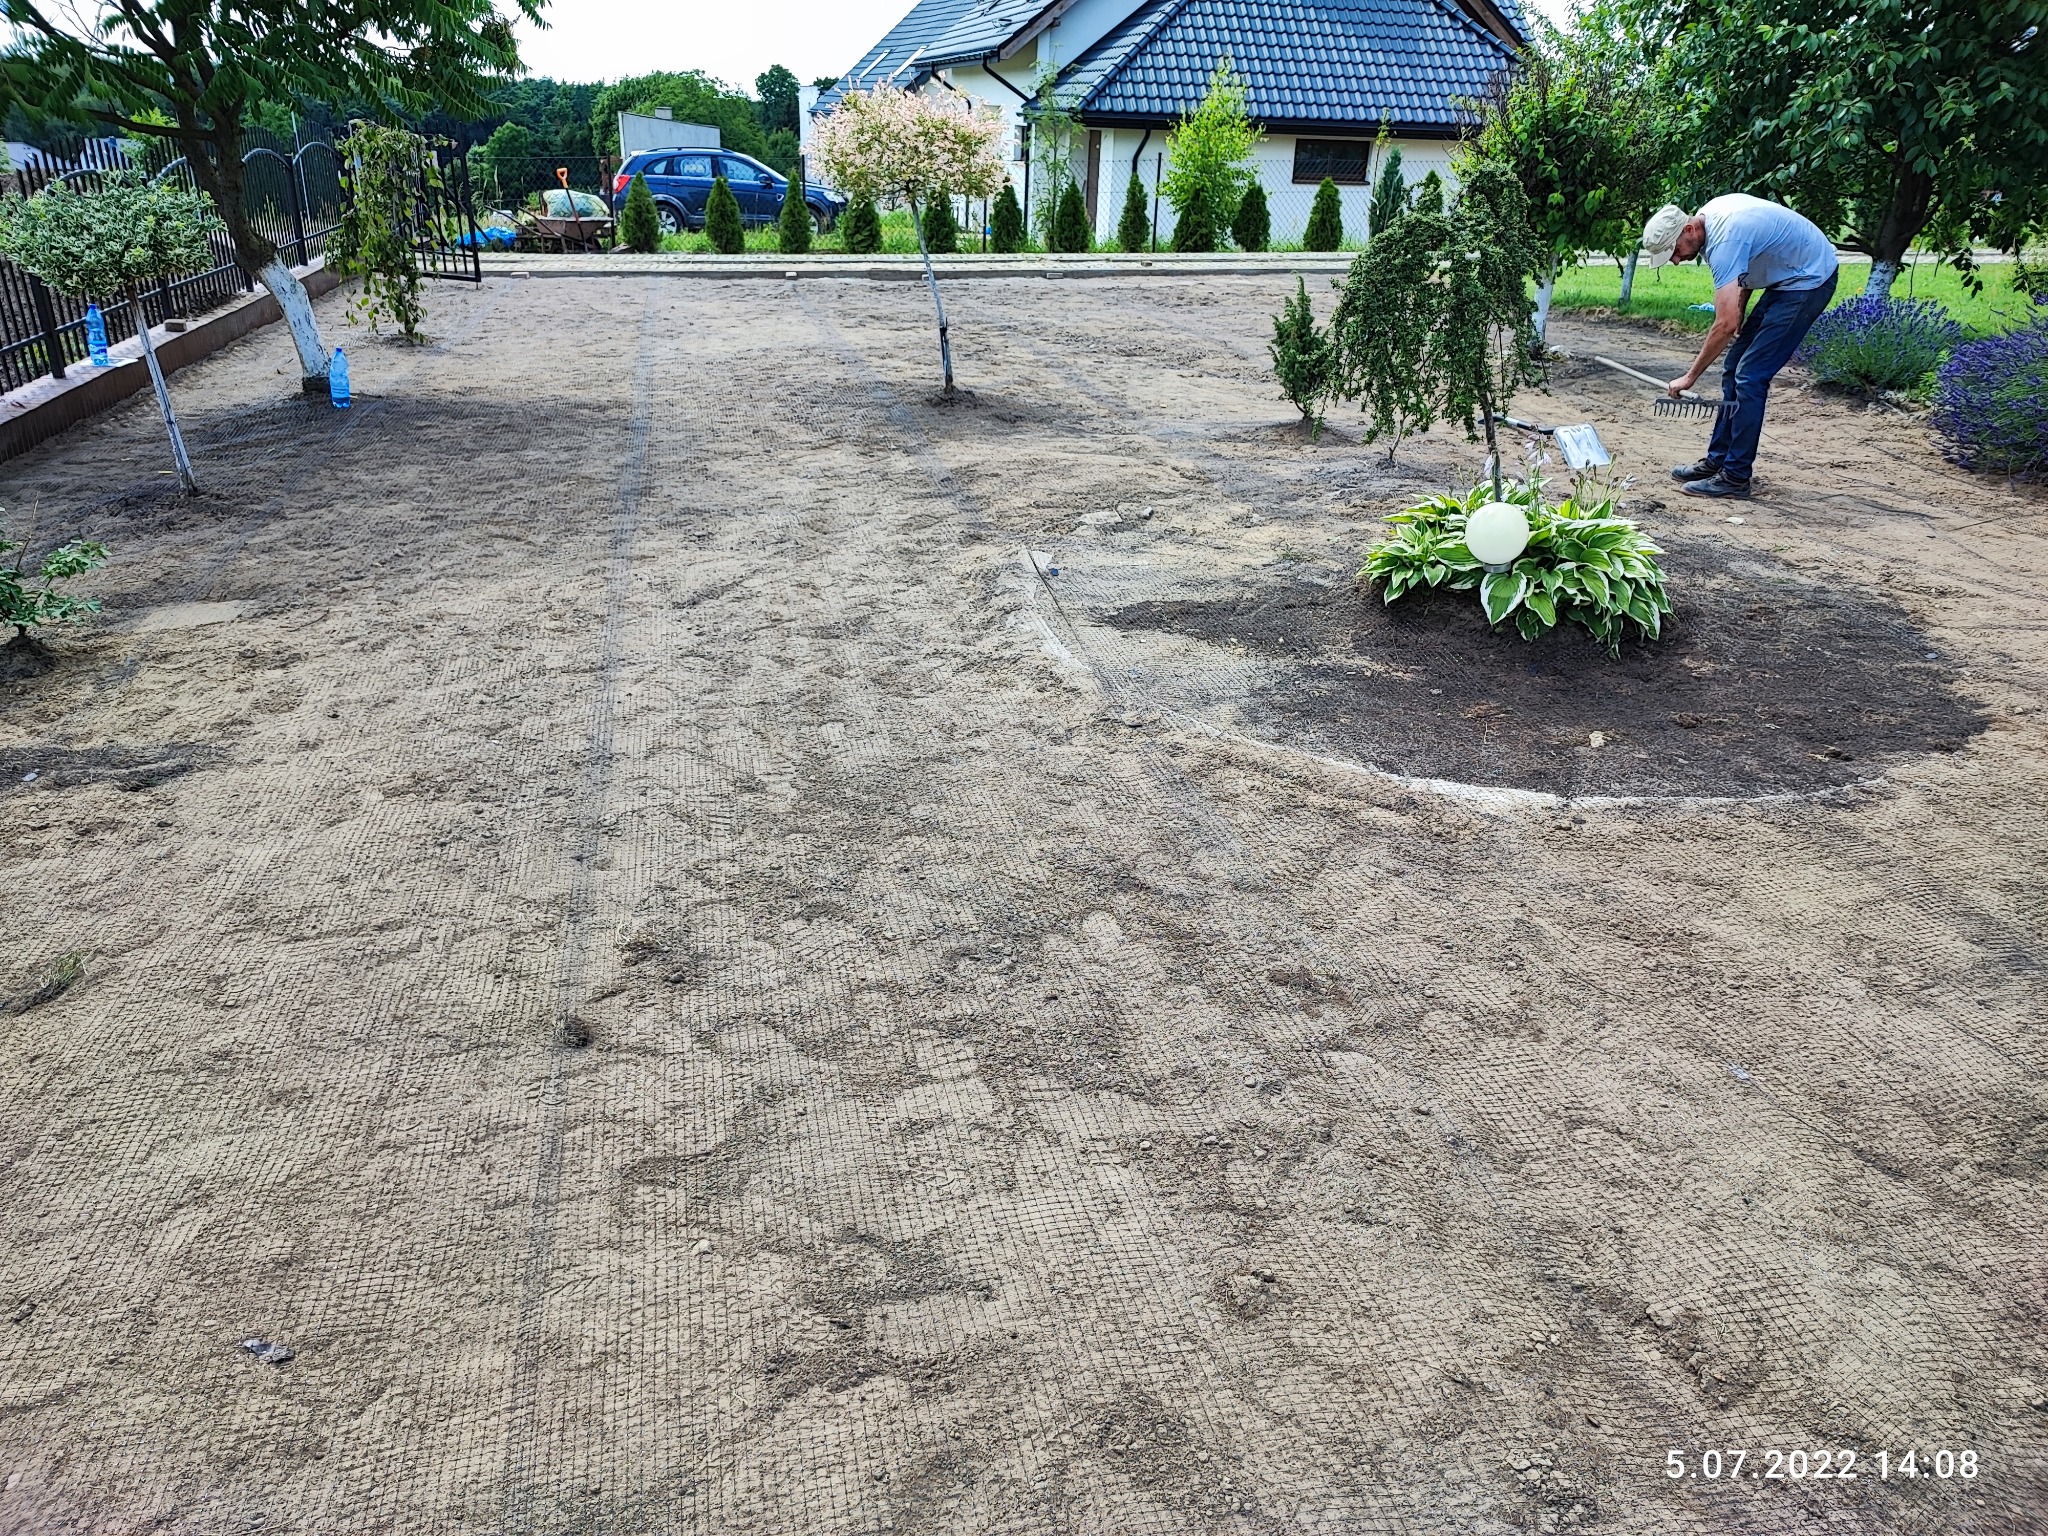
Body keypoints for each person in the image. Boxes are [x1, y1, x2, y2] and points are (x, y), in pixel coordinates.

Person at [1638, 195, 1840, 499]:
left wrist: (1689, 377)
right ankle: (1717, 461)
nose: (1676, 260)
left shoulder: (1724, 240)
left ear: (1689, 230)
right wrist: (1741, 310)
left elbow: (1724, 324)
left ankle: (1735, 477)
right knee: (1734, 367)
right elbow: (1745, 273)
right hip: (1786, 278)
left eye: (1675, 251)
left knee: (1750, 377)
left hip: (1809, 279)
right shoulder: (1712, 222)